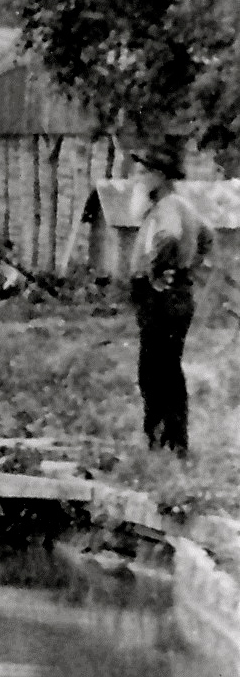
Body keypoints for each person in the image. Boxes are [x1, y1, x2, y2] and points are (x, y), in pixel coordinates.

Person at [125, 138, 210, 457]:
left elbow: (170, 236)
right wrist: (189, 267)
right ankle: (172, 442)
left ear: (159, 176)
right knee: (167, 369)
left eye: (143, 171)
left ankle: (162, 441)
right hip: (176, 294)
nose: (138, 177)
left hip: (161, 297)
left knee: (154, 371)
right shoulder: (181, 206)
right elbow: (208, 238)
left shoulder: (167, 208)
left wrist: (158, 270)